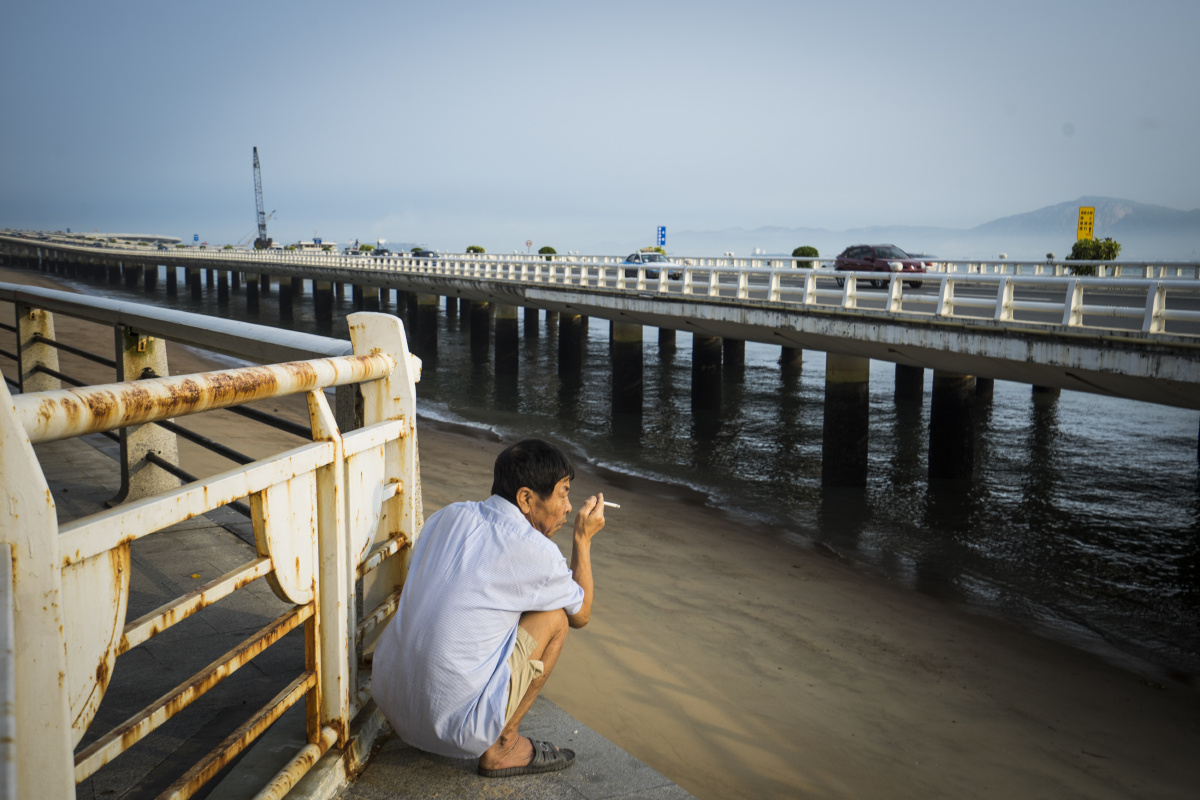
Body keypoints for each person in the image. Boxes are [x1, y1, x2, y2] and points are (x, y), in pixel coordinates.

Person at [372, 438, 605, 777]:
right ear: (526, 498)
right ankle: (503, 746)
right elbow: (581, 613)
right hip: (453, 731)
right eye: (563, 493)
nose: (569, 507)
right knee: (555, 618)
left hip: (390, 703)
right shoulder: (538, 552)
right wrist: (582, 540)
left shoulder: (447, 515)